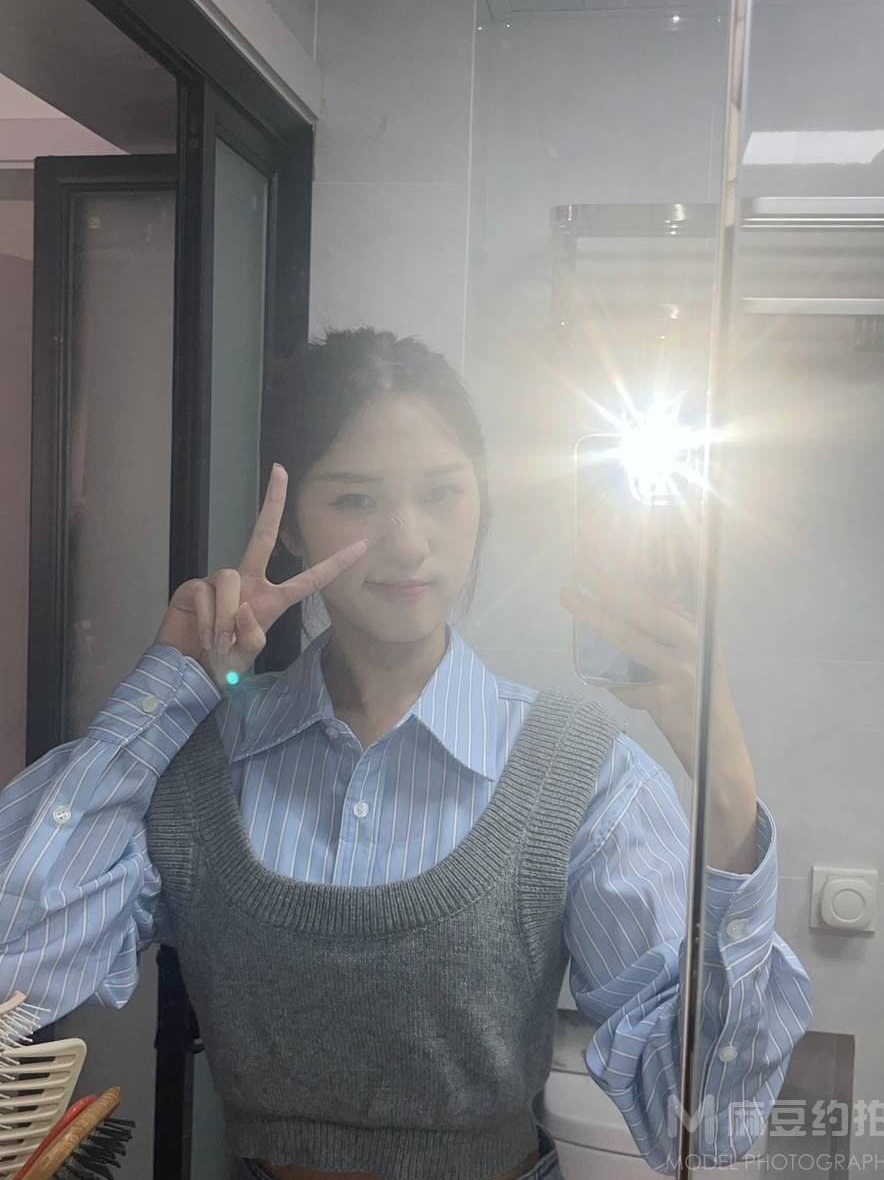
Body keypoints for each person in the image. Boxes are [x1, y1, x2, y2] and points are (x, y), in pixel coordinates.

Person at [0, 328, 812, 1180]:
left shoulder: (579, 771)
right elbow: (16, 968)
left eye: (442, 493)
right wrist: (170, 686)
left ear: (483, 505)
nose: (407, 540)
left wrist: (725, 781)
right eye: (356, 498)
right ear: (293, 529)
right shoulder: (206, 762)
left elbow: (703, 1120)